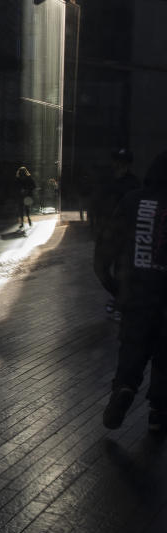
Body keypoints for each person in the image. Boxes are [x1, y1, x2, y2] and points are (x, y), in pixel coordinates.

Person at [94, 149, 167, 432]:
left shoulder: (134, 200)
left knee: (133, 347)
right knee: (164, 354)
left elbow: (107, 246)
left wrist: (114, 285)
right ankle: (159, 410)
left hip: (136, 292)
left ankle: (124, 387)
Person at [90, 148, 142, 319]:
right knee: (100, 269)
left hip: (122, 235)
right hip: (106, 233)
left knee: (121, 271)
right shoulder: (108, 181)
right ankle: (120, 298)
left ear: (128, 164)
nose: (119, 165)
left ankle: (121, 303)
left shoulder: (133, 184)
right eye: (117, 161)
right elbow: (98, 203)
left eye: (123, 162)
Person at [15, 166, 36, 230]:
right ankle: (28, 219)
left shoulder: (18, 179)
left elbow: (33, 186)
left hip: (23, 196)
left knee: (22, 209)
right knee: (26, 209)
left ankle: (23, 222)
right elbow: (34, 186)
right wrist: (27, 190)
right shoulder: (28, 178)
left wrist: (24, 190)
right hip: (26, 196)